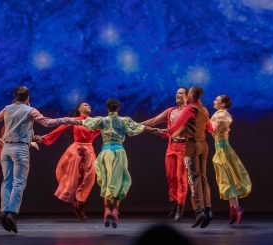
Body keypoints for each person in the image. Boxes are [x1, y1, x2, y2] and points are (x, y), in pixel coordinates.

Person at [0, 86, 77, 233]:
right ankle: (11, 213)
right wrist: (68, 120)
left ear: (16, 97)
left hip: (6, 149)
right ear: (28, 98)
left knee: (7, 181)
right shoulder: (30, 110)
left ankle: (4, 211)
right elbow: (47, 122)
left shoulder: (7, 108)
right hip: (20, 149)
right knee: (18, 182)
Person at [81, 98, 161, 228]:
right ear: (118, 108)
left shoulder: (102, 120)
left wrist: (70, 120)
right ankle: (115, 210)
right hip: (119, 152)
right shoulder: (124, 121)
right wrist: (154, 130)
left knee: (107, 182)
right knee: (120, 181)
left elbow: (87, 122)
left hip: (106, 152)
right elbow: (138, 127)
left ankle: (107, 210)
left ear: (107, 108)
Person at [38, 102, 100, 220]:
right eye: (86, 105)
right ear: (79, 108)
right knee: (74, 179)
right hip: (76, 151)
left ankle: (80, 202)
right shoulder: (73, 120)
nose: (89, 106)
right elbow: (60, 129)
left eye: (89, 105)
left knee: (89, 179)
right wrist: (44, 139)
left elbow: (106, 128)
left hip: (89, 151)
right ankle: (78, 203)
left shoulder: (95, 122)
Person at [169, 86, 213, 228]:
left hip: (192, 146)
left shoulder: (189, 109)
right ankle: (208, 209)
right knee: (203, 177)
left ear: (191, 95)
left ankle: (199, 211)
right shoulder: (205, 110)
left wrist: (167, 132)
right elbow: (210, 129)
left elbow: (176, 126)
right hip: (203, 145)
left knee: (193, 179)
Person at [142, 87, 189, 220]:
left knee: (181, 178)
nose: (177, 95)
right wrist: (137, 125)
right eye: (176, 93)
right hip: (171, 146)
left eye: (180, 93)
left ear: (187, 96)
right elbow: (153, 120)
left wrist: (166, 131)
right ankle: (173, 204)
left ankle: (180, 206)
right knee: (171, 177)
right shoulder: (170, 111)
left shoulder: (189, 111)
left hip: (184, 147)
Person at [211, 95, 251, 224]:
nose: (214, 101)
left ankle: (237, 209)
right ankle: (233, 210)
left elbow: (211, 127)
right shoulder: (219, 114)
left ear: (222, 104)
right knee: (226, 179)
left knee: (227, 179)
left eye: (216, 100)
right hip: (220, 148)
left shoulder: (222, 115)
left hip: (223, 150)